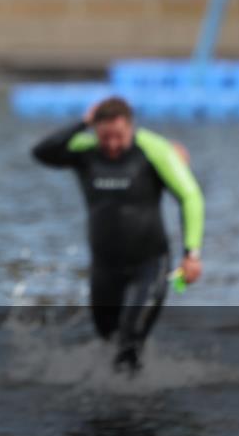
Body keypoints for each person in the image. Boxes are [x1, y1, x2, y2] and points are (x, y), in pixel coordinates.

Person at [31, 96, 204, 374]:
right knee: (108, 340)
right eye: (105, 136)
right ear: (95, 130)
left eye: (119, 137)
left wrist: (191, 254)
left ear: (131, 128)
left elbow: (191, 196)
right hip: (105, 268)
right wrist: (82, 123)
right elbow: (42, 152)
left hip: (149, 265)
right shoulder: (85, 150)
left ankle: (133, 407)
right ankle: (120, 402)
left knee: (130, 339)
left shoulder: (154, 149)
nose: (112, 145)